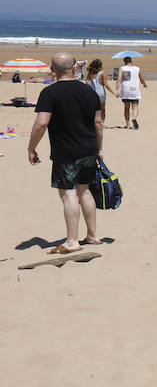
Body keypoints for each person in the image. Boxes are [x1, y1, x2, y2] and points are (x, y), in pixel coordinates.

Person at [27, 53, 103, 254]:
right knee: (85, 190)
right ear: (74, 68)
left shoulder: (50, 93)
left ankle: (72, 241)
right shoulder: (89, 91)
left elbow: (41, 123)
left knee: (69, 193)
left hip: (65, 151)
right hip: (89, 148)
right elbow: (98, 123)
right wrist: (99, 148)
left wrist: (31, 148)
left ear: (52, 70)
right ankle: (93, 235)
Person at [83, 58, 116, 123]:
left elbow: (87, 82)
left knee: (94, 109)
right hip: (101, 93)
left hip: (92, 93)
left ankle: (93, 122)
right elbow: (106, 85)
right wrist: (113, 93)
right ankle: (101, 123)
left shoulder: (90, 73)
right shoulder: (102, 73)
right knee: (102, 110)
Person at [117, 55, 146, 129]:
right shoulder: (137, 68)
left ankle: (128, 124)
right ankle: (134, 118)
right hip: (135, 90)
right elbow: (141, 78)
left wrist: (117, 90)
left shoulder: (122, 68)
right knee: (135, 107)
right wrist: (144, 84)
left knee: (126, 108)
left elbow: (119, 79)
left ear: (124, 62)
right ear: (131, 61)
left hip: (125, 89)